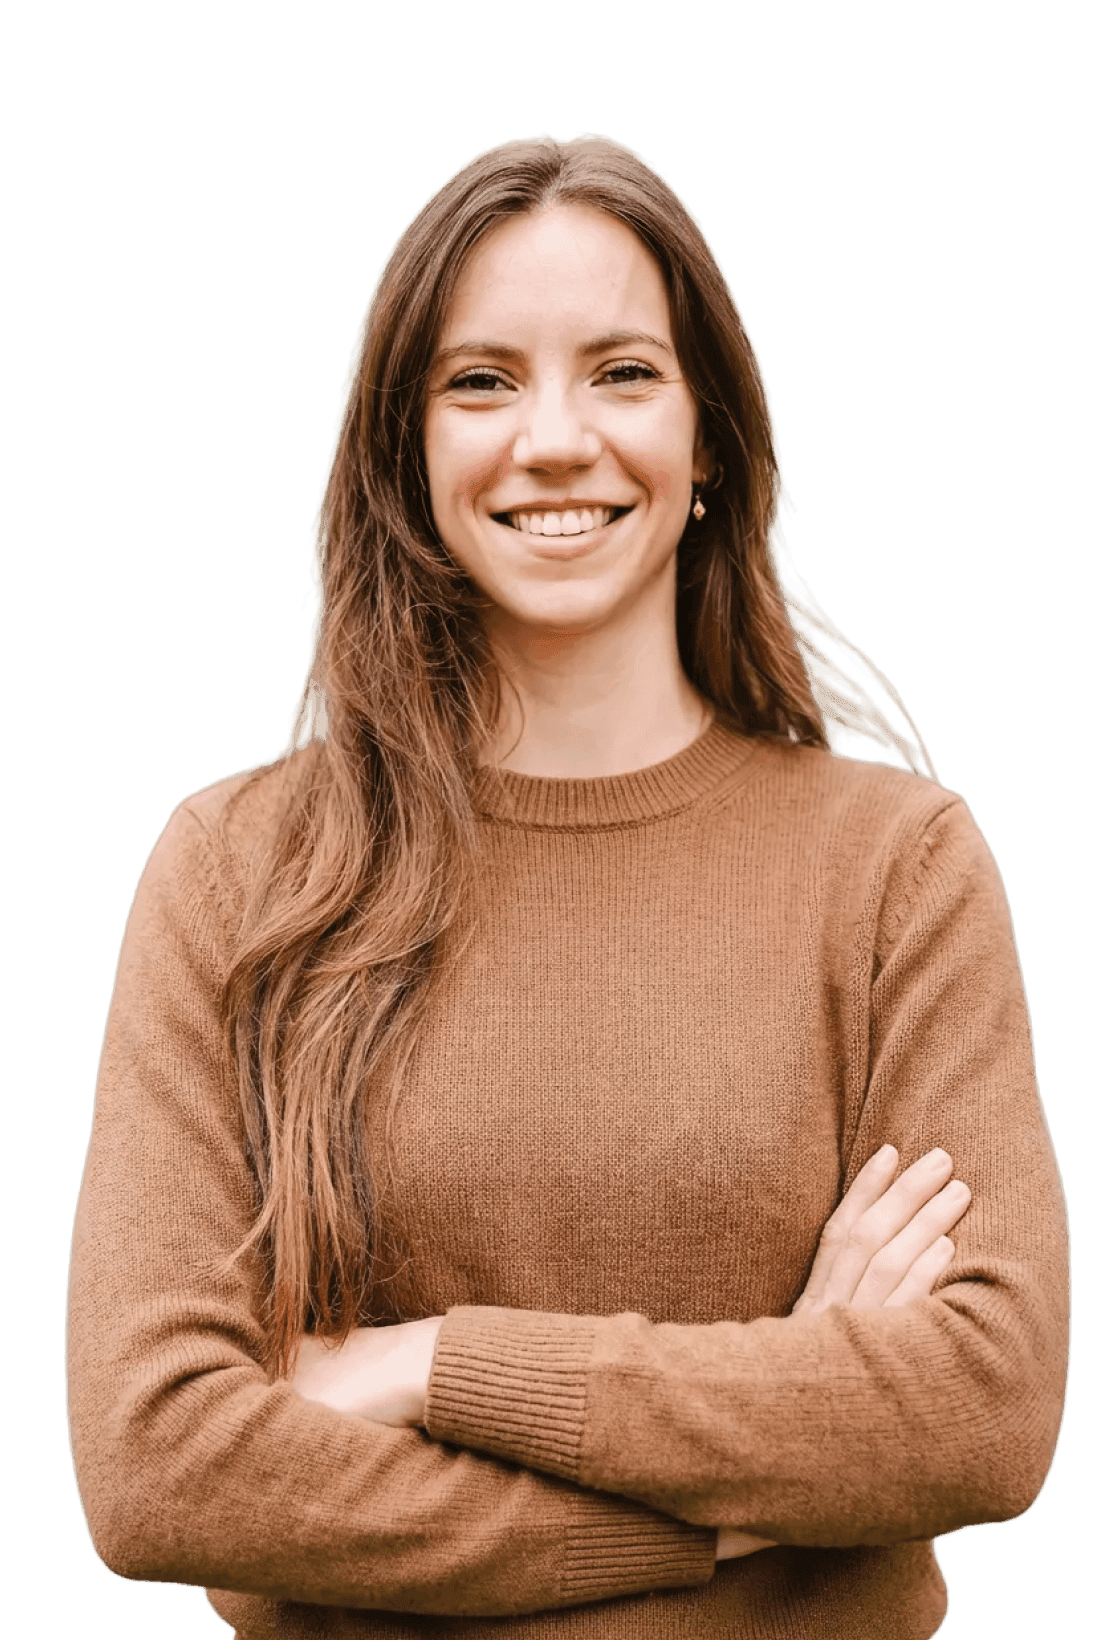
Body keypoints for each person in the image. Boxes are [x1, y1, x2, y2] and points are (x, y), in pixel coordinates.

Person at [65, 132, 1069, 1640]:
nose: (552, 439)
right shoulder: (239, 873)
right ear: (404, 448)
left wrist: (426, 1367)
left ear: (710, 439)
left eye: (622, 373)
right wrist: (742, 1497)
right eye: (480, 381)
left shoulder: (899, 870)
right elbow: (157, 1467)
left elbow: (983, 1408)